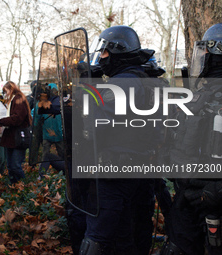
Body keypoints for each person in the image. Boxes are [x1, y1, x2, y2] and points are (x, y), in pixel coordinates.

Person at [78, 25, 158, 254]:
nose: (101, 57)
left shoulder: (123, 83)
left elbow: (93, 126)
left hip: (116, 173)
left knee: (96, 238)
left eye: (104, 52)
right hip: (137, 168)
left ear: (117, 51)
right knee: (127, 236)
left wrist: (87, 91)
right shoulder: (141, 78)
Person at [161, 23, 222, 255]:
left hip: (212, 201)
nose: (202, 56)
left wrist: (216, 190)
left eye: (206, 51)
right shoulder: (201, 94)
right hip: (188, 196)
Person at [0, 81, 32, 184]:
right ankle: (15, 187)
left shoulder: (18, 98)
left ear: (10, 89)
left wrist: (0, 122)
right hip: (13, 137)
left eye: (6, 91)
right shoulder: (15, 99)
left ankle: (24, 186)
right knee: (11, 166)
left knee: (15, 166)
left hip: (18, 137)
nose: (5, 94)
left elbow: (17, 118)